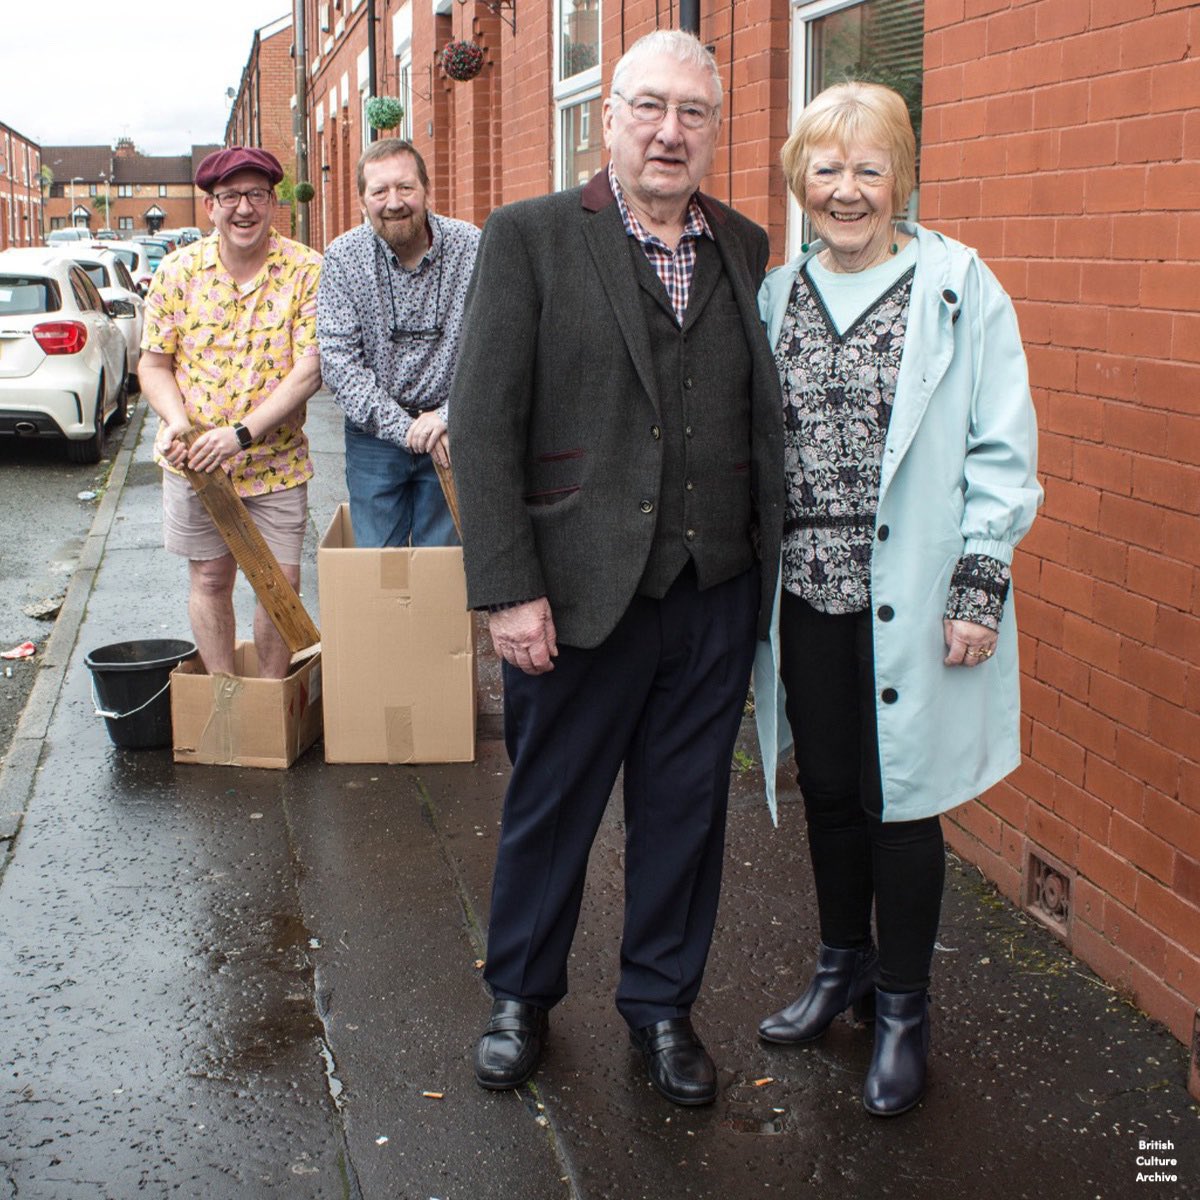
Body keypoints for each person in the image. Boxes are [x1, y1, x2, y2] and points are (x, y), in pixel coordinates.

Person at [449, 30, 784, 1107]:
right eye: (649, 106)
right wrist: (506, 587)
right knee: (553, 803)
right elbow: (484, 422)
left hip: (712, 590)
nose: (669, 131)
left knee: (686, 812)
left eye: (692, 112)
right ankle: (520, 997)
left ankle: (661, 1009)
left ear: (715, 130)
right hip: (575, 591)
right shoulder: (532, 237)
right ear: (608, 119)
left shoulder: (745, 244)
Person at [752, 82, 1041, 1116]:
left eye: (868, 168)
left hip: (915, 596)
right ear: (800, 181)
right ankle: (844, 967)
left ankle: (906, 1007)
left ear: (901, 176)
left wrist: (980, 584)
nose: (847, 190)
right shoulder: (777, 296)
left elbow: (1002, 450)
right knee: (828, 790)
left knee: (902, 802)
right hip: (808, 594)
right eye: (826, 169)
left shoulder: (958, 286)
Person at [139, 146, 323, 679]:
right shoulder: (176, 272)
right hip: (195, 462)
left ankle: (270, 703)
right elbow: (154, 365)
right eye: (231, 197)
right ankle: (222, 694)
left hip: (275, 464)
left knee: (279, 582)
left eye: (257, 195)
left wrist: (241, 434)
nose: (245, 208)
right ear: (210, 206)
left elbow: (309, 369)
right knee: (211, 579)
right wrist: (177, 422)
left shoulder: (306, 270)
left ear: (273, 203)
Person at [317, 139, 480, 547]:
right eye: (379, 191)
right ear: (362, 201)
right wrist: (404, 429)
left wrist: (446, 416)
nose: (394, 202)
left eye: (405, 188)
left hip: (449, 433)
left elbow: (492, 349)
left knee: (441, 572)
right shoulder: (342, 257)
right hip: (374, 436)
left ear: (427, 191)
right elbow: (339, 361)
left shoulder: (472, 247)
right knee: (378, 570)